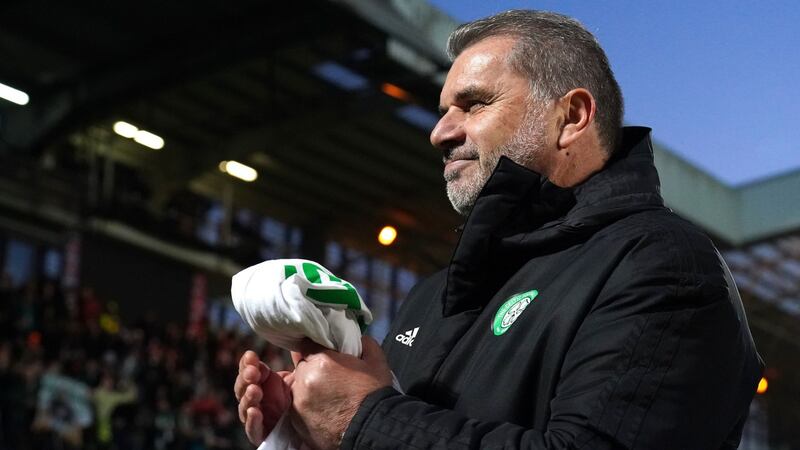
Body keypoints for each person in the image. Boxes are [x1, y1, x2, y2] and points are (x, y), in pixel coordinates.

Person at [234, 10, 763, 450]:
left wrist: (363, 419)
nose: (440, 133)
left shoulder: (661, 264)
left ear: (572, 116)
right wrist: (308, 434)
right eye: (443, 112)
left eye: (474, 103)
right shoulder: (431, 296)